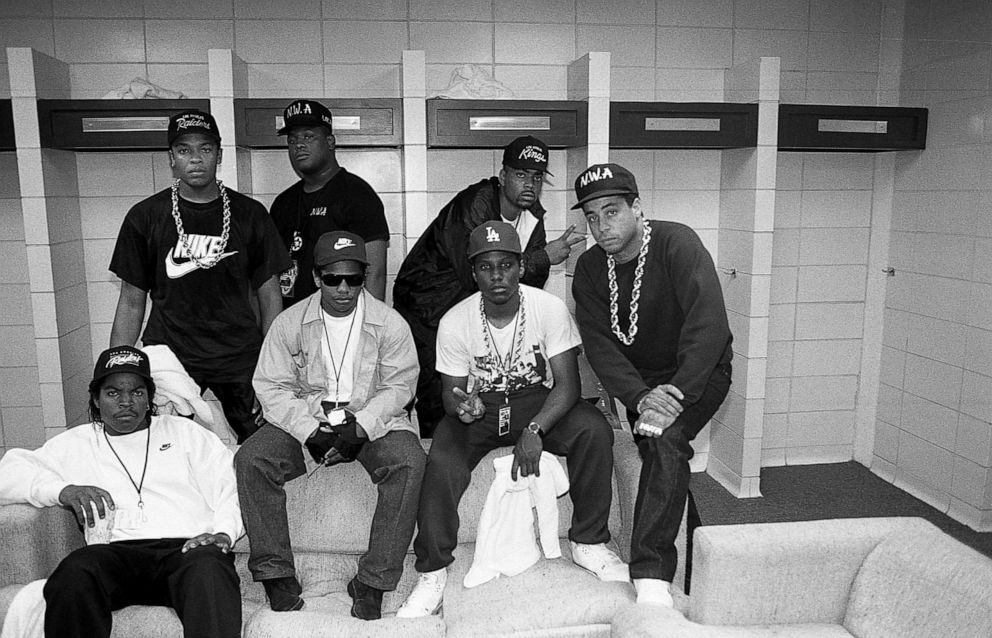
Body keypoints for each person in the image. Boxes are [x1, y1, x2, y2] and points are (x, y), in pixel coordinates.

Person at [396, 221, 624, 618]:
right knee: (442, 458)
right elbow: (452, 395)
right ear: (473, 272)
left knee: (593, 428)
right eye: (486, 267)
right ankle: (433, 572)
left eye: (505, 265)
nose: (497, 276)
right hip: (482, 407)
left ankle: (588, 542)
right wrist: (463, 408)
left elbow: (567, 385)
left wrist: (536, 429)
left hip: (535, 400)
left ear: (520, 266)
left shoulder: (547, 307)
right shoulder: (455, 320)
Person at [235, 231, 425, 620]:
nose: (343, 288)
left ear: (364, 277)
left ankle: (372, 582)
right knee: (252, 458)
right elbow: (271, 386)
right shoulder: (290, 323)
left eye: (353, 279)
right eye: (333, 278)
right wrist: (309, 432)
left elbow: (400, 386)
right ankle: (275, 573)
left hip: (373, 417)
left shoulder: (389, 324)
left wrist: (361, 429)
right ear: (317, 277)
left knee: (410, 461)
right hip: (307, 417)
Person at [570, 163, 733, 607]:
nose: (602, 226)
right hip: (641, 386)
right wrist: (642, 398)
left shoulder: (676, 242)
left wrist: (672, 397)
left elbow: (709, 325)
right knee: (665, 459)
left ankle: (651, 576)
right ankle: (699, 561)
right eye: (592, 217)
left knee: (664, 440)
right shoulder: (588, 268)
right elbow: (601, 347)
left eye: (612, 211)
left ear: (637, 207)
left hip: (699, 374)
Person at [0, 345, 243, 638]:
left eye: (137, 392)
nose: (126, 402)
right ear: (96, 398)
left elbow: (229, 486)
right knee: (76, 571)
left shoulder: (186, 433)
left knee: (210, 567)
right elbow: (8, 472)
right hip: (116, 556)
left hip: (188, 552)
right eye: (113, 393)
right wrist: (62, 490)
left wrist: (223, 533)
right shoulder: (76, 443)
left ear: (150, 397)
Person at [109, 109, 291, 444]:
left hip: (240, 354)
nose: (196, 159)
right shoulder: (145, 216)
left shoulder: (251, 215)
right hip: (171, 351)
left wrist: (273, 364)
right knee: (166, 445)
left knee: (264, 443)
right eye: (184, 150)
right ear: (171, 158)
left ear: (218, 156)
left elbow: (269, 295)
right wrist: (117, 367)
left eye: (205, 149)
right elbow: (131, 302)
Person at [393, 136, 585, 436]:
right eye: (520, 175)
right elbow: (476, 274)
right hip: (427, 309)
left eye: (537, 177)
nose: (529, 185)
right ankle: (436, 455)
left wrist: (538, 261)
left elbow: (526, 284)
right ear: (503, 176)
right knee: (435, 392)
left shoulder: (533, 217)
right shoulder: (475, 204)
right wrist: (544, 256)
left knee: (482, 392)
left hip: (476, 312)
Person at [270, 99, 390, 305]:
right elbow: (271, 273)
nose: (299, 144)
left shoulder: (358, 195)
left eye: (308, 136)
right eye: (292, 140)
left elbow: (375, 272)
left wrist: (369, 327)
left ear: (330, 142)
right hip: (295, 322)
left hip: (341, 320)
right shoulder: (283, 202)